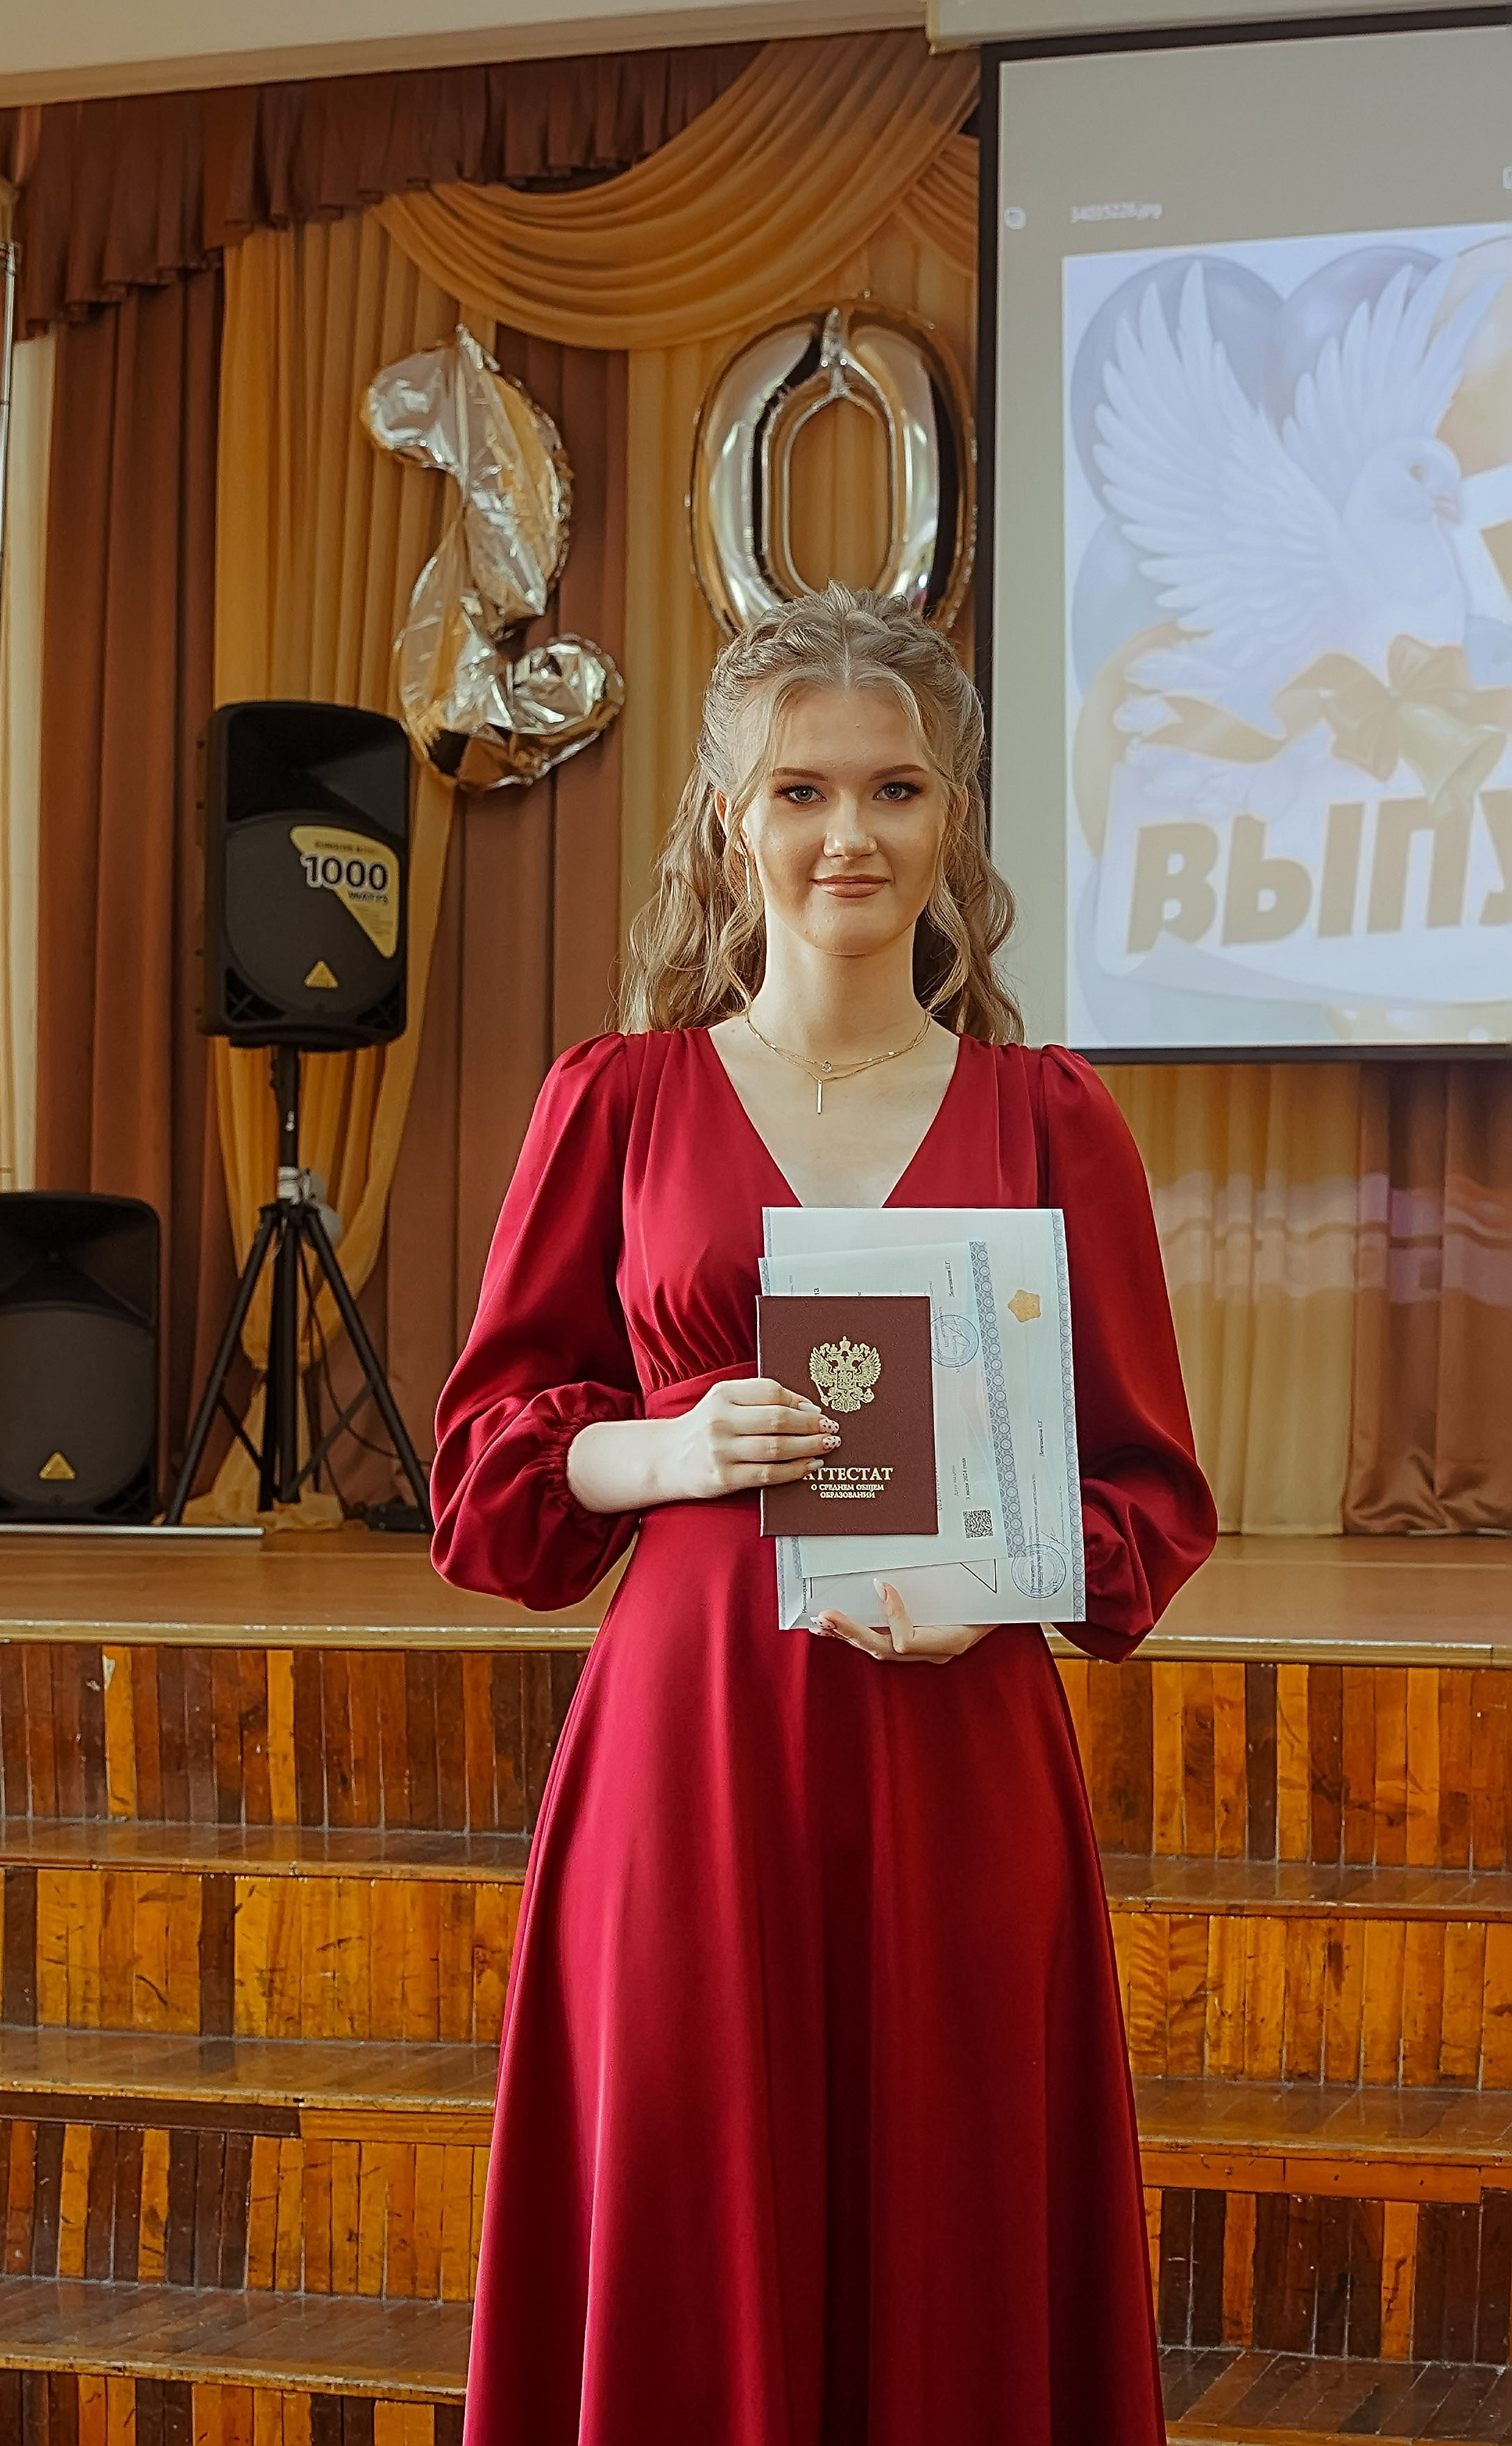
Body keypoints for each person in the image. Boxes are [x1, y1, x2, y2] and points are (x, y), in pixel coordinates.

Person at [432, 584, 1217, 2445]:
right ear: (729, 825)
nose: (846, 836)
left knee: (951, 2205)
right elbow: (482, 1477)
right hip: (686, 1752)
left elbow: (1148, 1501)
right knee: (690, 2197)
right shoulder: (612, 1100)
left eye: (891, 791)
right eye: (797, 793)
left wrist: (997, 1579)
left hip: (958, 1754)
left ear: (950, 822)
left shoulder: (1050, 1116)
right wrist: (660, 1450)